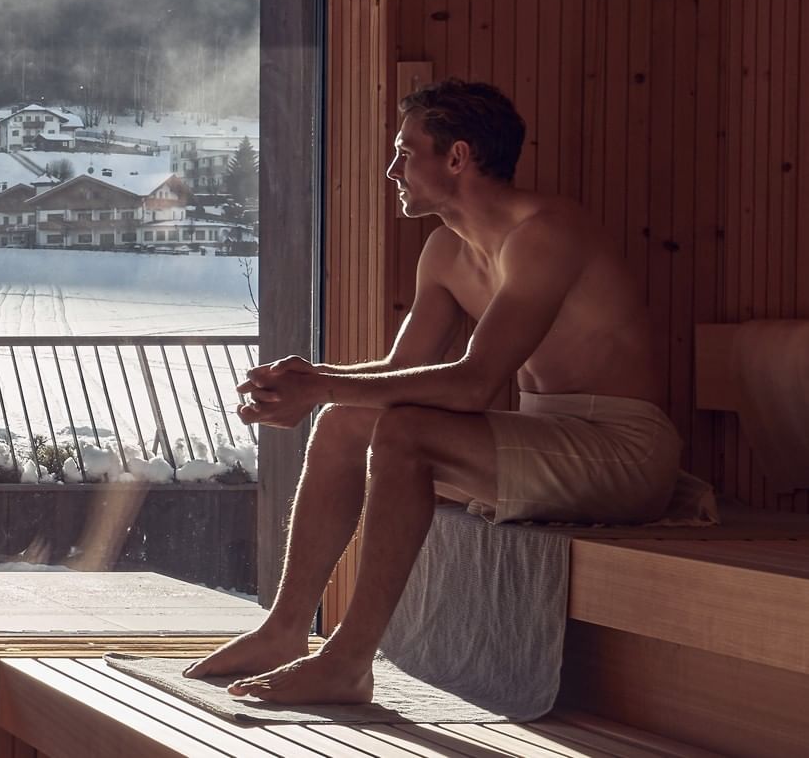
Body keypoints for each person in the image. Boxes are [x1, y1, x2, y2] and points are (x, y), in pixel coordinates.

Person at [184, 78, 680, 706]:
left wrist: (320, 384)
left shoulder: (546, 234)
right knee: (344, 421)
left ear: (457, 156)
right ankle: (285, 630)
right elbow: (405, 370)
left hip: (621, 450)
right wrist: (311, 386)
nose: (392, 168)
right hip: (547, 439)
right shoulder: (445, 251)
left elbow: (473, 385)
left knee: (403, 431)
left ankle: (347, 659)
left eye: (404, 151)